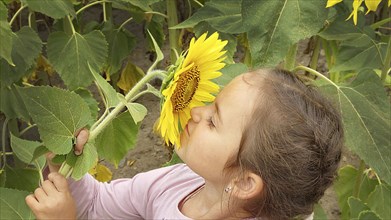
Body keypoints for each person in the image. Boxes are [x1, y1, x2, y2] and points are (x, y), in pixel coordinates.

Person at [25, 68, 344, 220]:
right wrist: (66, 171)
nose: (195, 110)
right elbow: (98, 207)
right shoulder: (181, 182)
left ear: (245, 181)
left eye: (213, 120)